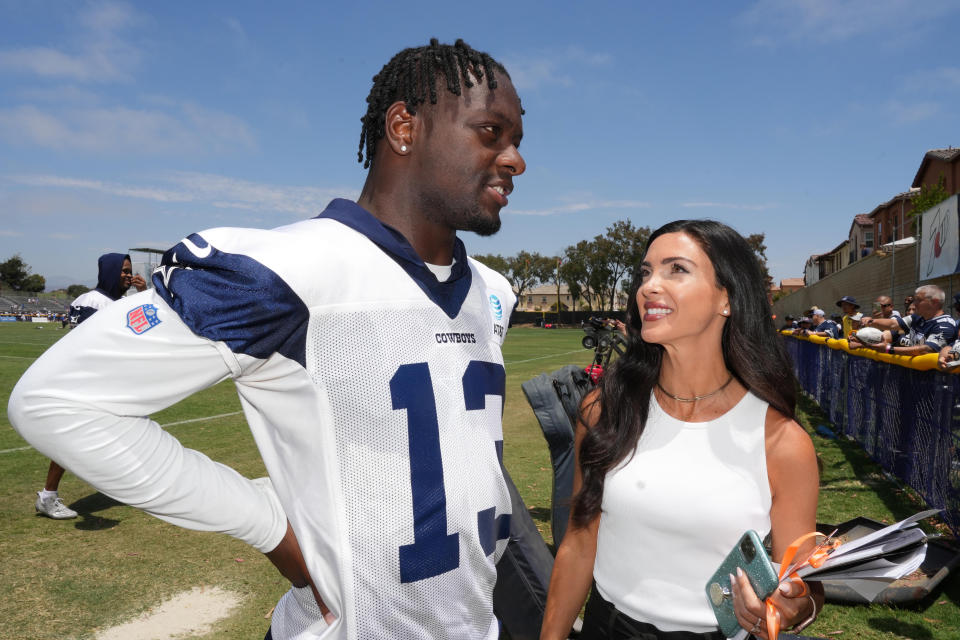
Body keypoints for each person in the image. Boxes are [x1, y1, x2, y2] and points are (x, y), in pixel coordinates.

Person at [10, 39, 525, 640]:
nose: (515, 160)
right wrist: (267, 524)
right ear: (404, 127)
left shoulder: (492, 292)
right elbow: (56, 402)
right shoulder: (292, 269)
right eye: (492, 132)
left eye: (517, 139)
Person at [540, 220, 821, 640]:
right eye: (646, 272)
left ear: (726, 298)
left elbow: (803, 581)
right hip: (608, 627)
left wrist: (793, 605)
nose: (649, 286)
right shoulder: (605, 410)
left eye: (676, 269)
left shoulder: (782, 442)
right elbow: (578, 544)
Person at [33, 253, 146, 519]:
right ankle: (48, 495)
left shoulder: (121, 301)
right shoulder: (91, 301)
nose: (128, 275)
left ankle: (127, 484)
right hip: (91, 382)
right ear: (110, 271)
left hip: (113, 382)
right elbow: (85, 345)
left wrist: (142, 295)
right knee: (73, 439)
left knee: (131, 429)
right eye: (124, 271)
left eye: (130, 271)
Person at [854, 285, 957, 357]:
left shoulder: (945, 325)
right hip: (909, 376)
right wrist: (871, 322)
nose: (914, 303)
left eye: (918, 300)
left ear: (935, 302)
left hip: (931, 382)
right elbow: (893, 324)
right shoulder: (917, 317)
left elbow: (926, 350)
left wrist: (888, 349)